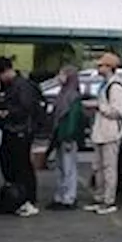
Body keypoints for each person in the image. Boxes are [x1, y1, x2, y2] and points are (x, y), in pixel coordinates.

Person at [0, 57, 40, 217]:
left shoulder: (23, 86)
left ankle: (27, 199)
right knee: (11, 166)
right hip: (10, 131)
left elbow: (25, 109)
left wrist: (5, 113)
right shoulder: (8, 86)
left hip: (20, 131)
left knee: (22, 166)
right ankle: (16, 198)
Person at [86, 51, 122, 215]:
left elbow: (117, 111)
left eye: (102, 65)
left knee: (109, 168)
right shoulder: (105, 85)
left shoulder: (115, 87)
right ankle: (99, 198)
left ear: (110, 67)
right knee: (99, 167)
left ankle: (109, 201)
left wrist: (99, 107)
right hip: (100, 130)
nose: (98, 67)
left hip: (110, 131)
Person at [47, 66, 85, 211]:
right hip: (60, 136)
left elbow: (73, 119)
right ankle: (61, 196)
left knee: (68, 168)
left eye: (62, 74)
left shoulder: (71, 95)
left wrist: (69, 137)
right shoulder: (66, 93)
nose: (59, 77)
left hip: (66, 137)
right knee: (62, 167)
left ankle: (68, 197)